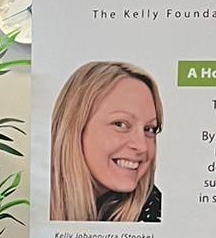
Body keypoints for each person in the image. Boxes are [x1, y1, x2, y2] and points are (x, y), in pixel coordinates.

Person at [49, 60, 163, 222]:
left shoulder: (154, 213)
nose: (142, 146)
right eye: (121, 124)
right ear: (75, 128)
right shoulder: (35, 199)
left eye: (149, 129)